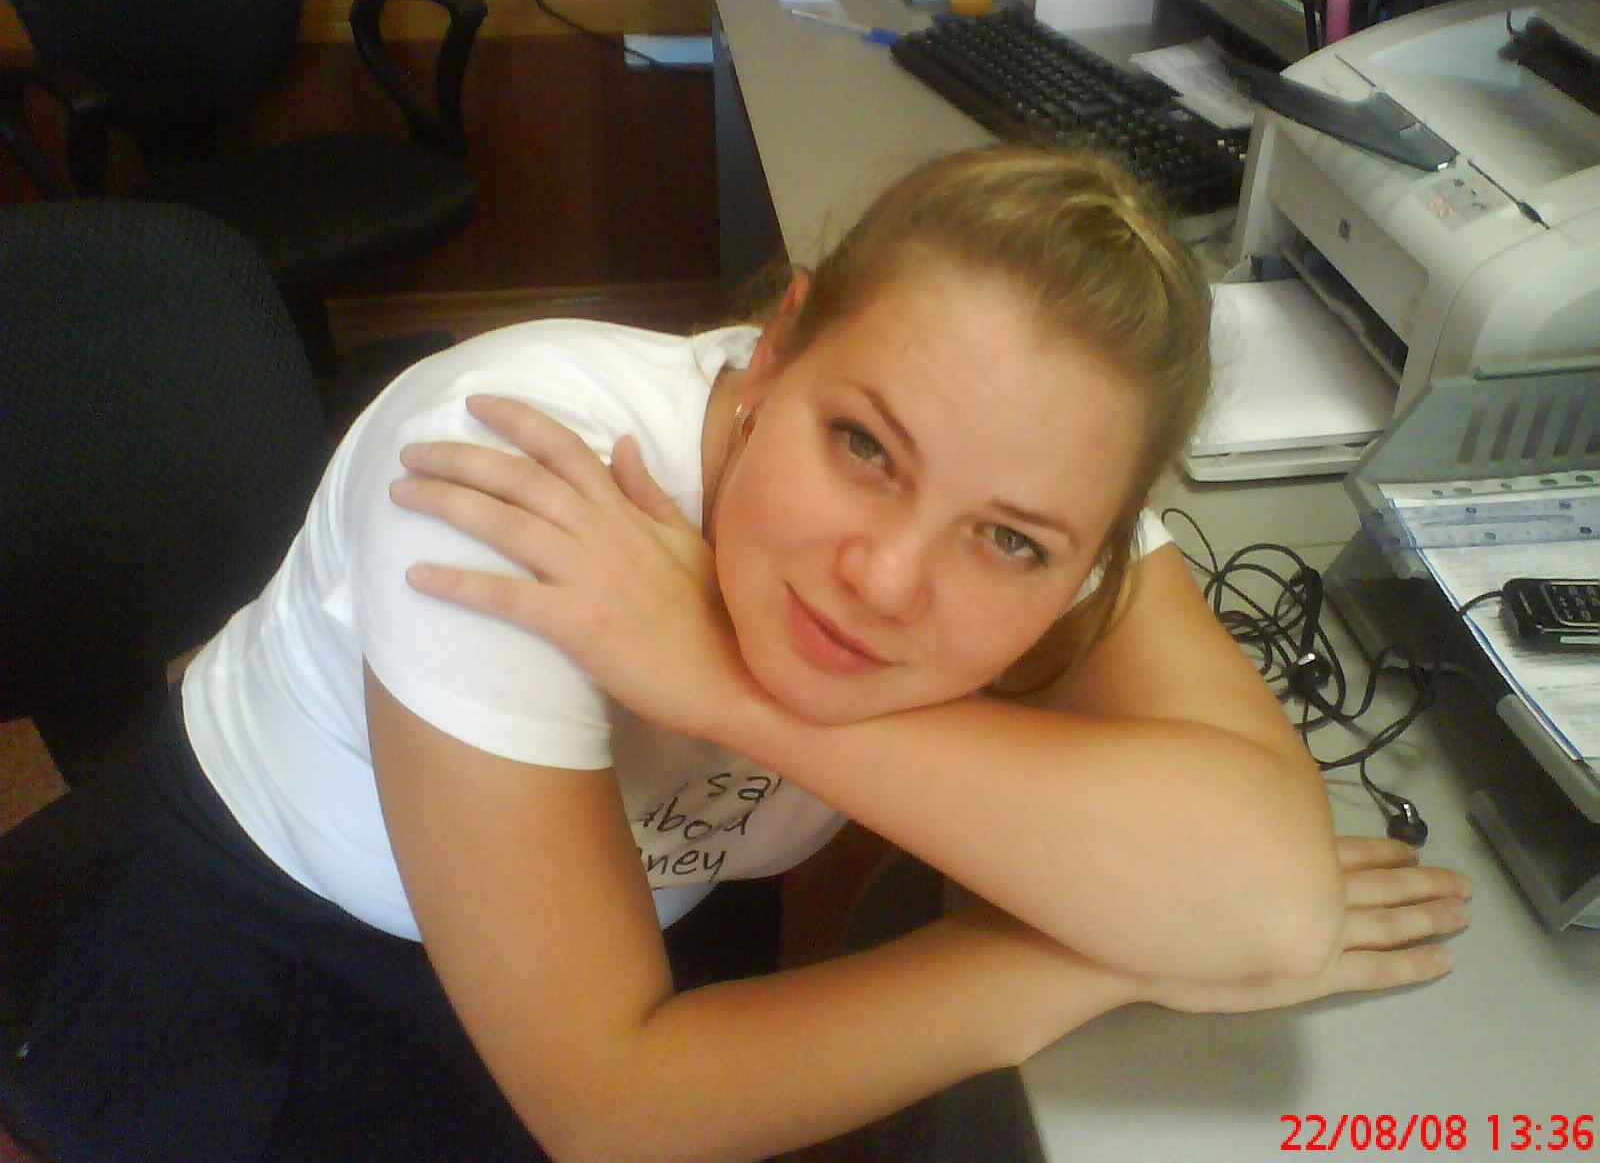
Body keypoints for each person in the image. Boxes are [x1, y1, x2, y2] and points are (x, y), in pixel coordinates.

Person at [0, 144, 1470, 1163]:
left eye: (1012, 542)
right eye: (862, 445)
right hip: (274, 968)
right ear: (775, 348)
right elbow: (609, 1106)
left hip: (618, 926)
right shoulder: (511, 480)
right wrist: (1075, 959)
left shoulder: (1043, 478)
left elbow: (1273, 910)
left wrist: (723, 685)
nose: (885, 580)